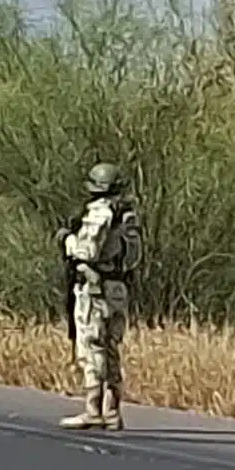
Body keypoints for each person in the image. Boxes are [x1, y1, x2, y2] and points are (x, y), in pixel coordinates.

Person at [60, 163, 140, 432]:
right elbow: (133, 257)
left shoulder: (100, 212)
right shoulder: (129, 217)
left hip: (95, 288)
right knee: (111, 348)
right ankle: (113, 411)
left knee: (91, 346)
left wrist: (68, 240)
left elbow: (87, 250)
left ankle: (93, 409)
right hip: (118, 288)